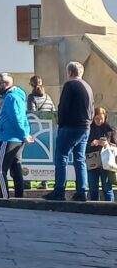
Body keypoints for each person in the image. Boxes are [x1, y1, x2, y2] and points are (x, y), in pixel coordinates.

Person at [44, 61, 94, 201]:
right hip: (85, 127)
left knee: (61, 157)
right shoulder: (88, 86)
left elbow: (63, 106)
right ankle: (82, 191)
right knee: (79, 159)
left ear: (70, 73)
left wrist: (61, 123)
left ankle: (59, 190)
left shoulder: (69, 85)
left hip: (70, 126)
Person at [0, 73, 34, 199]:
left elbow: (16, 118)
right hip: (17, 138)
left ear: (6, 84)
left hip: (8, 138)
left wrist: (24, 134)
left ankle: (5, 197)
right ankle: (19, 197)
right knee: (16, 169)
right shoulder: (18, 97)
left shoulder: (10, 98)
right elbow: (24, 117)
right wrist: (25, 134)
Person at [26, 75, 56, 190]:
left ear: (31, 85)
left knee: (30, 154)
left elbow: (32, 114)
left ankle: (27, 181)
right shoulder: (48, 97)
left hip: (36, 130)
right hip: (48, 131)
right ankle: (45, 182)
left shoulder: (31, 97)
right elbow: (53, 111)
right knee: (45, 155)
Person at [86, 107, 115, 202]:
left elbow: (115, 145)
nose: (99, 121)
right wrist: (91, 143)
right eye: (97, 119)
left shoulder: (109, 129)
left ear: (105, 118)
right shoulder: (88, 129)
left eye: (101, 118)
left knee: (107, 188)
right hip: (92, 160)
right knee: (93, 188)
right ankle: (94, 208)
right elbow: (82, 145)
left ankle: (111, 208)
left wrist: (107, 144)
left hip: (106, 162)